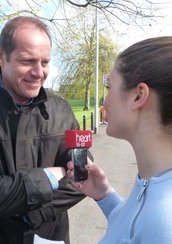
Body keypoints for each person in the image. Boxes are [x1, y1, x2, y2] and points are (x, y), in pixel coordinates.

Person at [0, 16, 92, 244]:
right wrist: (52, 174)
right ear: (1, 56)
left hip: (50, 237)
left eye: (45, 62)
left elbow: (83, 175)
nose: (39, 72)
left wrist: (29, 213)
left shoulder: (62, 110)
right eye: (28, 61)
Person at [67, 36, 172, 243]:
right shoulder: (151, 180)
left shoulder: (165, 222)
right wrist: (105, 195)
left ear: (138, 95)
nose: (104, 101)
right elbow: (134, 229)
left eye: (108, 86)